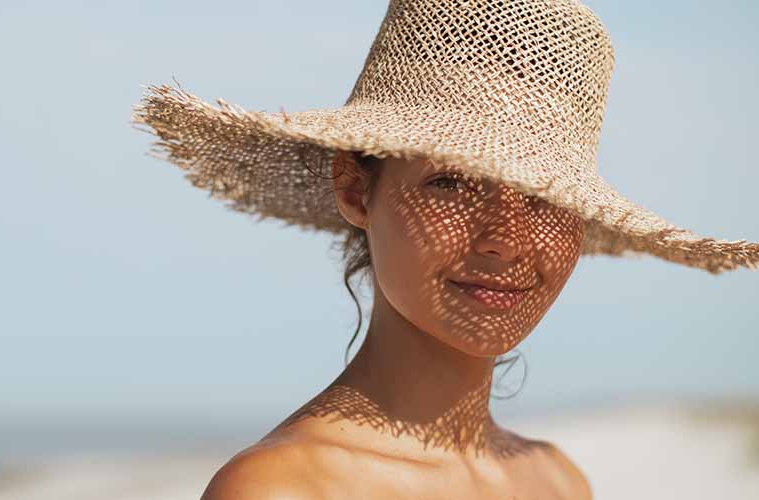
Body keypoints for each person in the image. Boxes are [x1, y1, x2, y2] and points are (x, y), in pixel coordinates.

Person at [132, 0, 759, 498]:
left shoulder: (557, 482)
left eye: (544, 198)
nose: (504, 240)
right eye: (451, 183)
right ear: (354, 187)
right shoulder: (286, 488)